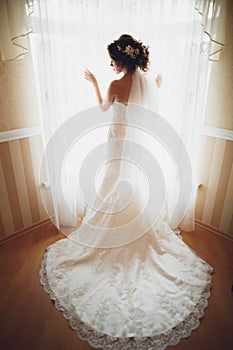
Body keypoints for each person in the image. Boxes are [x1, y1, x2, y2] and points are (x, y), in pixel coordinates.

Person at [40, 34, 213, 350]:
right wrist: (157, 87)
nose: (110, 65)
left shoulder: (115, 84)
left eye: (111, 60)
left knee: (111, 189)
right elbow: (146, 112)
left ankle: (111, 238)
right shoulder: (146, 83)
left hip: (117, 145)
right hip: (137, 149)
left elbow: (104, 111)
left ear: (121, 60)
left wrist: (94, 82)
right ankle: (137, 235)